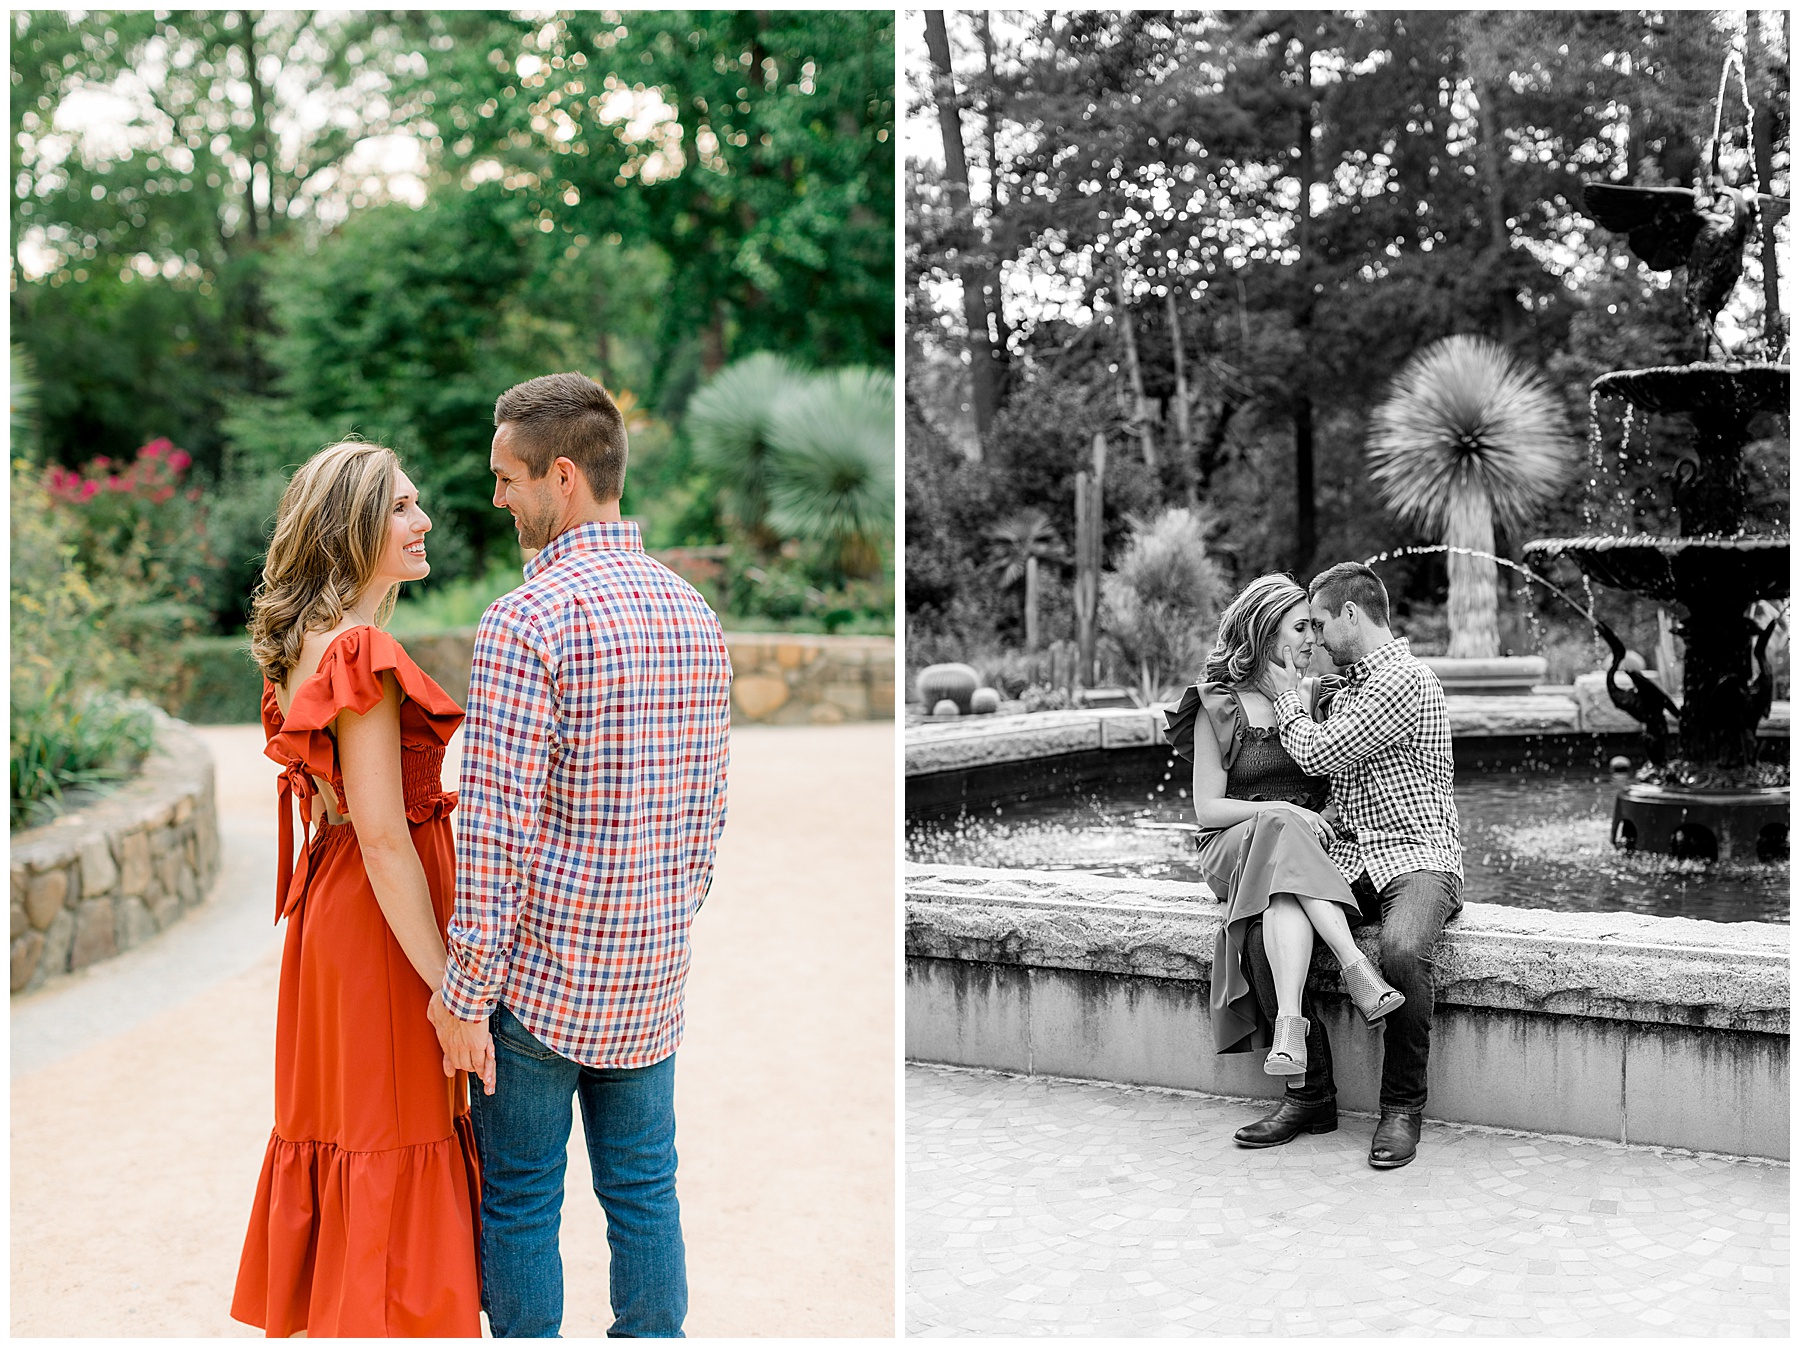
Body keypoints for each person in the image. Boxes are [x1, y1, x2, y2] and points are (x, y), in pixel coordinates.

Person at [427, 372, 732, 1338]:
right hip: (649, 976)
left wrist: (466, 994)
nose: (496, 497)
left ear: (562, 476)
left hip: (539, 988)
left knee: (520, 1202)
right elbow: (709, 816)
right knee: (647, 1196)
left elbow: (494, 830)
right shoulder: (695, 616)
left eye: (507, 477)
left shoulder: (525, 622)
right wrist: (660, 929)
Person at [231, 441, 486, 1337]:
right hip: (381, 926)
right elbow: (382, 834)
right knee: (390, 1136)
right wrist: (452, 988)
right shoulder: (359, 650)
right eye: (403, 508)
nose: (424, 523)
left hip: (332, 919)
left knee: (351, 1134)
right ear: (351, 527)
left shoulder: (306, 643)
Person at [1248, 560, 1463, 1171]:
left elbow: (1318, 753)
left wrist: (1287, 700)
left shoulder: (1405, 679)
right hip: (1350, 855)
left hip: (1419, 857)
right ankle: (1311, 1097)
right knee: (1262, 931)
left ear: (1351, 614)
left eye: (1317, 622)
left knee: (1399, 950)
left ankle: (1401, 1108)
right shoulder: (1351, 683)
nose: (1311, 638)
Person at [1166, 574, 1406, 1082]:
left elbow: (1348, 775)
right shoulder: (1219, 704)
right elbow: (1207, 809)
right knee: (1280, 825)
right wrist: (1286, 810)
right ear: (1268, 631)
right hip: (1233, 846)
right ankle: (1355, 966)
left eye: (1314, 629)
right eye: (1301, 628)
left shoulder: (1320, 696)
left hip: (1304, 855)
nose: (1313, 640)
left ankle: (1290, 1032)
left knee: (1284, 877)